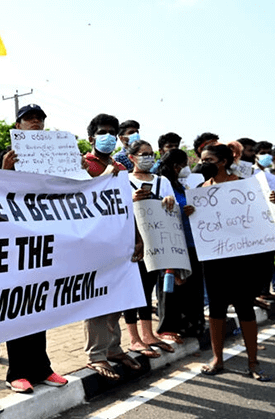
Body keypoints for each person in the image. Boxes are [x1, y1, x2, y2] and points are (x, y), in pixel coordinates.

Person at [0, 104, 69, 394]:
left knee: (40, 304)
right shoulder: (5, 156)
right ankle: (16, 372)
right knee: (18, 306)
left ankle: (42, 367)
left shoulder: (54, 155)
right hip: (15, 243)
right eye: (29, 119)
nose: (35, 123)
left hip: (42, 239)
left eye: (39, 119)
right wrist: (4, 171)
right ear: (17, 126)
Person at [197, 142, 272, 381]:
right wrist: (189, 211)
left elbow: (264, 215)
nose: (203, 164)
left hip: (242, 260)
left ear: (223, 162)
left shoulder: (244, 186)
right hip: (214, 260)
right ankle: (217, 359)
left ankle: (253, 362)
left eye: (208, 160)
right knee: (216, 308)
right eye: (201, 160)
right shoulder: (200, 189)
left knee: (244, 307)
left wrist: (273, 201)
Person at [82, 114, 142, 380]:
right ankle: (96, 355)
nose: (107, 137)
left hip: (120, 240)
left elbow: (126, 206)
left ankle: (114, 348)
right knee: (96, 300)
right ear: (91, 137)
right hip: (94, 243)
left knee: (117, 297)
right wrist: (105, 176)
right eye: (102, 132)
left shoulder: (120, 166)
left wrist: (137, 237)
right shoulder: (83, 164)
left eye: (111, 133)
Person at [126, 139, 178, 356]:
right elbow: (117, 208)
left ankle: (147, 334)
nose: (148, 158)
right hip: (131, 242)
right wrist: (131, 199)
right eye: (143, 154)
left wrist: (169, 200)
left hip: (156, 241)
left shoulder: (161, 181)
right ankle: (134, 338)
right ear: (131, 157)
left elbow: (173, 208)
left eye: (150, 154)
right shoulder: (124, 180)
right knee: (132, 290)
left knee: (147, 288)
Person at [155, 149, 205, 338]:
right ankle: (168, 327)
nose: (187, 168)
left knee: (191, 288)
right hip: (173, 243)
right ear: (176, 166)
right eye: (185, 164)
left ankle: (191, 326)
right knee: (172, 287)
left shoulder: (181, 185)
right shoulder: (162, 184)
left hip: (191, 243)